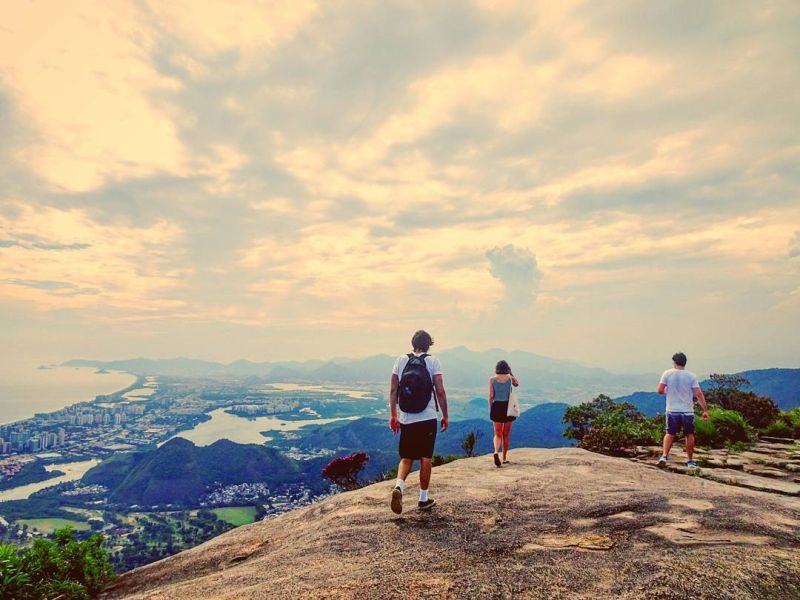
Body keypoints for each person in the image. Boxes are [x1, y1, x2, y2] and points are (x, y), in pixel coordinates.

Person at [388, 330, 449, 514]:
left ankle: (399, 486)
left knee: (406, 457)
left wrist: (393, 415)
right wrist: (445, 415)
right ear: (429, 344)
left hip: (406, 417)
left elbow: (393, 390)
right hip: (427, 417)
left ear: (412, 343)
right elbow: (440, 391)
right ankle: (423, 499)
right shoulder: (432, 361)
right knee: (425, 457)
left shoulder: (400, 360)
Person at [656, 352, 709, 469]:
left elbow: (659, 390)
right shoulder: (691, 376)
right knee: (689, 434)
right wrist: (705, 410)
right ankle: (690, 461)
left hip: (672, 410)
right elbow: (699, 394)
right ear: (685, 363)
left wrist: (666, 391)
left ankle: (664, 456)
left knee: (669, 433)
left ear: (674, 362)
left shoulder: (667, 373)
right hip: (687, 411)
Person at [488, 360, 519, 467]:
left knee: (497, 434)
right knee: (506, 434)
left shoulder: (492, 379)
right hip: (508, 407)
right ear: (507, 368)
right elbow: (517, 384)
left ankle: (496, 451)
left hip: (496, 406)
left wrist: (491, 407)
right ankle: (504, 458)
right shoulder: (510, 379)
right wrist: (511, 373)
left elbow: (491, 396)